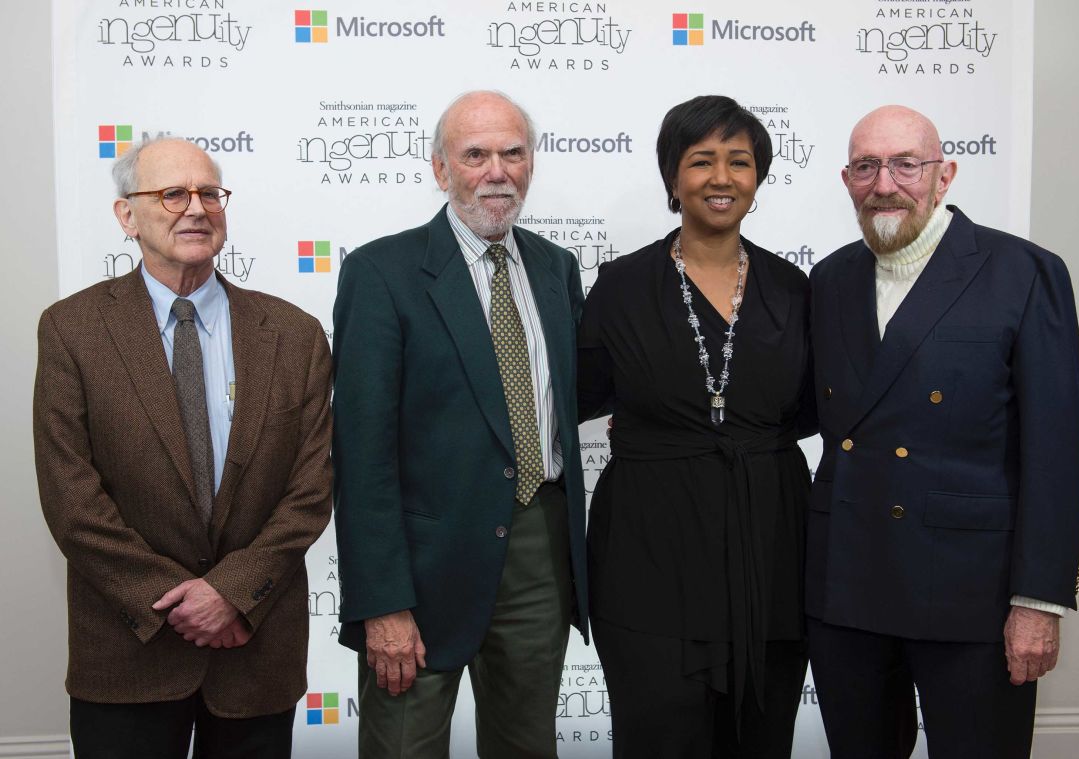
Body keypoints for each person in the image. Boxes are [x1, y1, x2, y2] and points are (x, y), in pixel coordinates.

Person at [33, 136, 334, 758]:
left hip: (254, 649)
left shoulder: (295, 335)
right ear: (126, 215)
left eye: (209, 193)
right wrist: (174, 602)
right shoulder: (72, 329)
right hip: (126, 652)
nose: (196, 209)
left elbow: (310, 491)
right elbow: (72, 500)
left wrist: (229, 593)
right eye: (172, 193)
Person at [806, 105, 1079, 758]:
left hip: (973, 595)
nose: (884, 183)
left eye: (906, 164)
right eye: (867, 166)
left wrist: (1039, 599)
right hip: (847, 584)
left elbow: (1055, 453)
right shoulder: (830, 279)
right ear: (846, 178)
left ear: (945, 175)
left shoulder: (1022, 273)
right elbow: (801, 404)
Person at [332, 90, 587, 758]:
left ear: (531, 163)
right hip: (420, 573)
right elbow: (362, 454)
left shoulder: (558, 269)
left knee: (527, 746)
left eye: (512, 152)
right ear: (441, 169)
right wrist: (381, 602)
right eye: (474, 154)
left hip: (539, 554)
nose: (495, 171)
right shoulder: (381, 272)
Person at [577, 95, 813, 758]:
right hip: (648, 557)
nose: (721, 177)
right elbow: (574, 399)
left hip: (771, 557)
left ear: (758, 178)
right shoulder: (619, 288)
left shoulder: (795, 290)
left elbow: (811, 407)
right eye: (702, 160)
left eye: (739, 162)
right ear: (672, 177)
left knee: (761, 742)